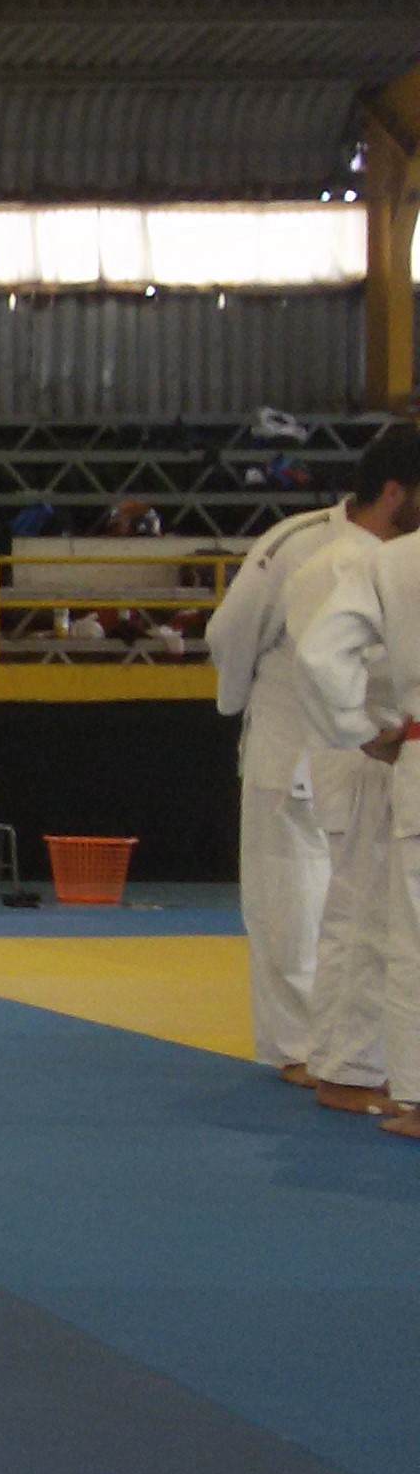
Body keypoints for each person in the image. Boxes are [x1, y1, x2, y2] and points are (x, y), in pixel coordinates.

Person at [214, 434, 420, 1089]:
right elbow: (230, 634)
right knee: (294, 905)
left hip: (363, 747)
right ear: (394, 491)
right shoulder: (307, 544)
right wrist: (246, 703)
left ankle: (344, 1053)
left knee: (349, 910)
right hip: (298, 737)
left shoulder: (387, 556)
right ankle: (300, 1050)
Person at [295, 424, 420, 1135]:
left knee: (394, 929)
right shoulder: (349, 558)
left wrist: (358, 724)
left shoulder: (388, 562)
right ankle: (347, 1067)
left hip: (398, 751)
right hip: (365, 762)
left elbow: (319, 656)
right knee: (364, 920)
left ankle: (391, 1082)